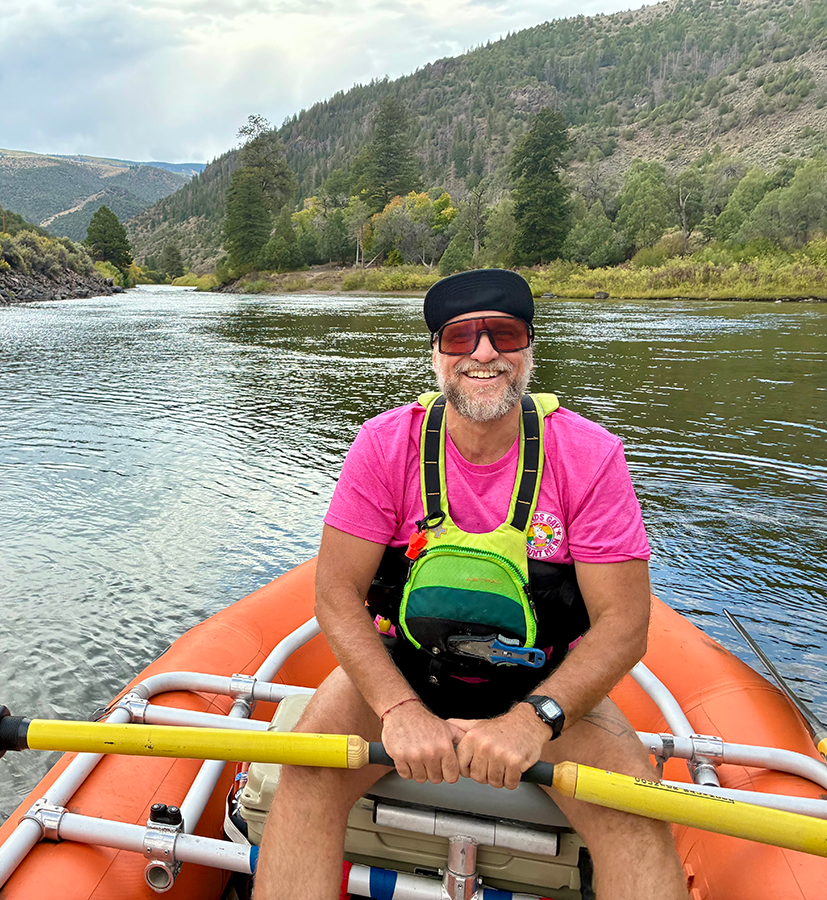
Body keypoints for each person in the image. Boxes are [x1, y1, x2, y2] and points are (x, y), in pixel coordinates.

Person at [253, 269, 689, 900]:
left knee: (634, 817)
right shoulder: (384, 445)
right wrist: (397, 709)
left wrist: (534, 720)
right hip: (404, 671)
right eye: (461, 338)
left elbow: (624, 626)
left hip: (543, 683)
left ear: (528, 349)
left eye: (504, 335)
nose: (484, 353)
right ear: (437, 355)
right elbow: (336, 596)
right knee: (309, 773)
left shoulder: (590, 456)